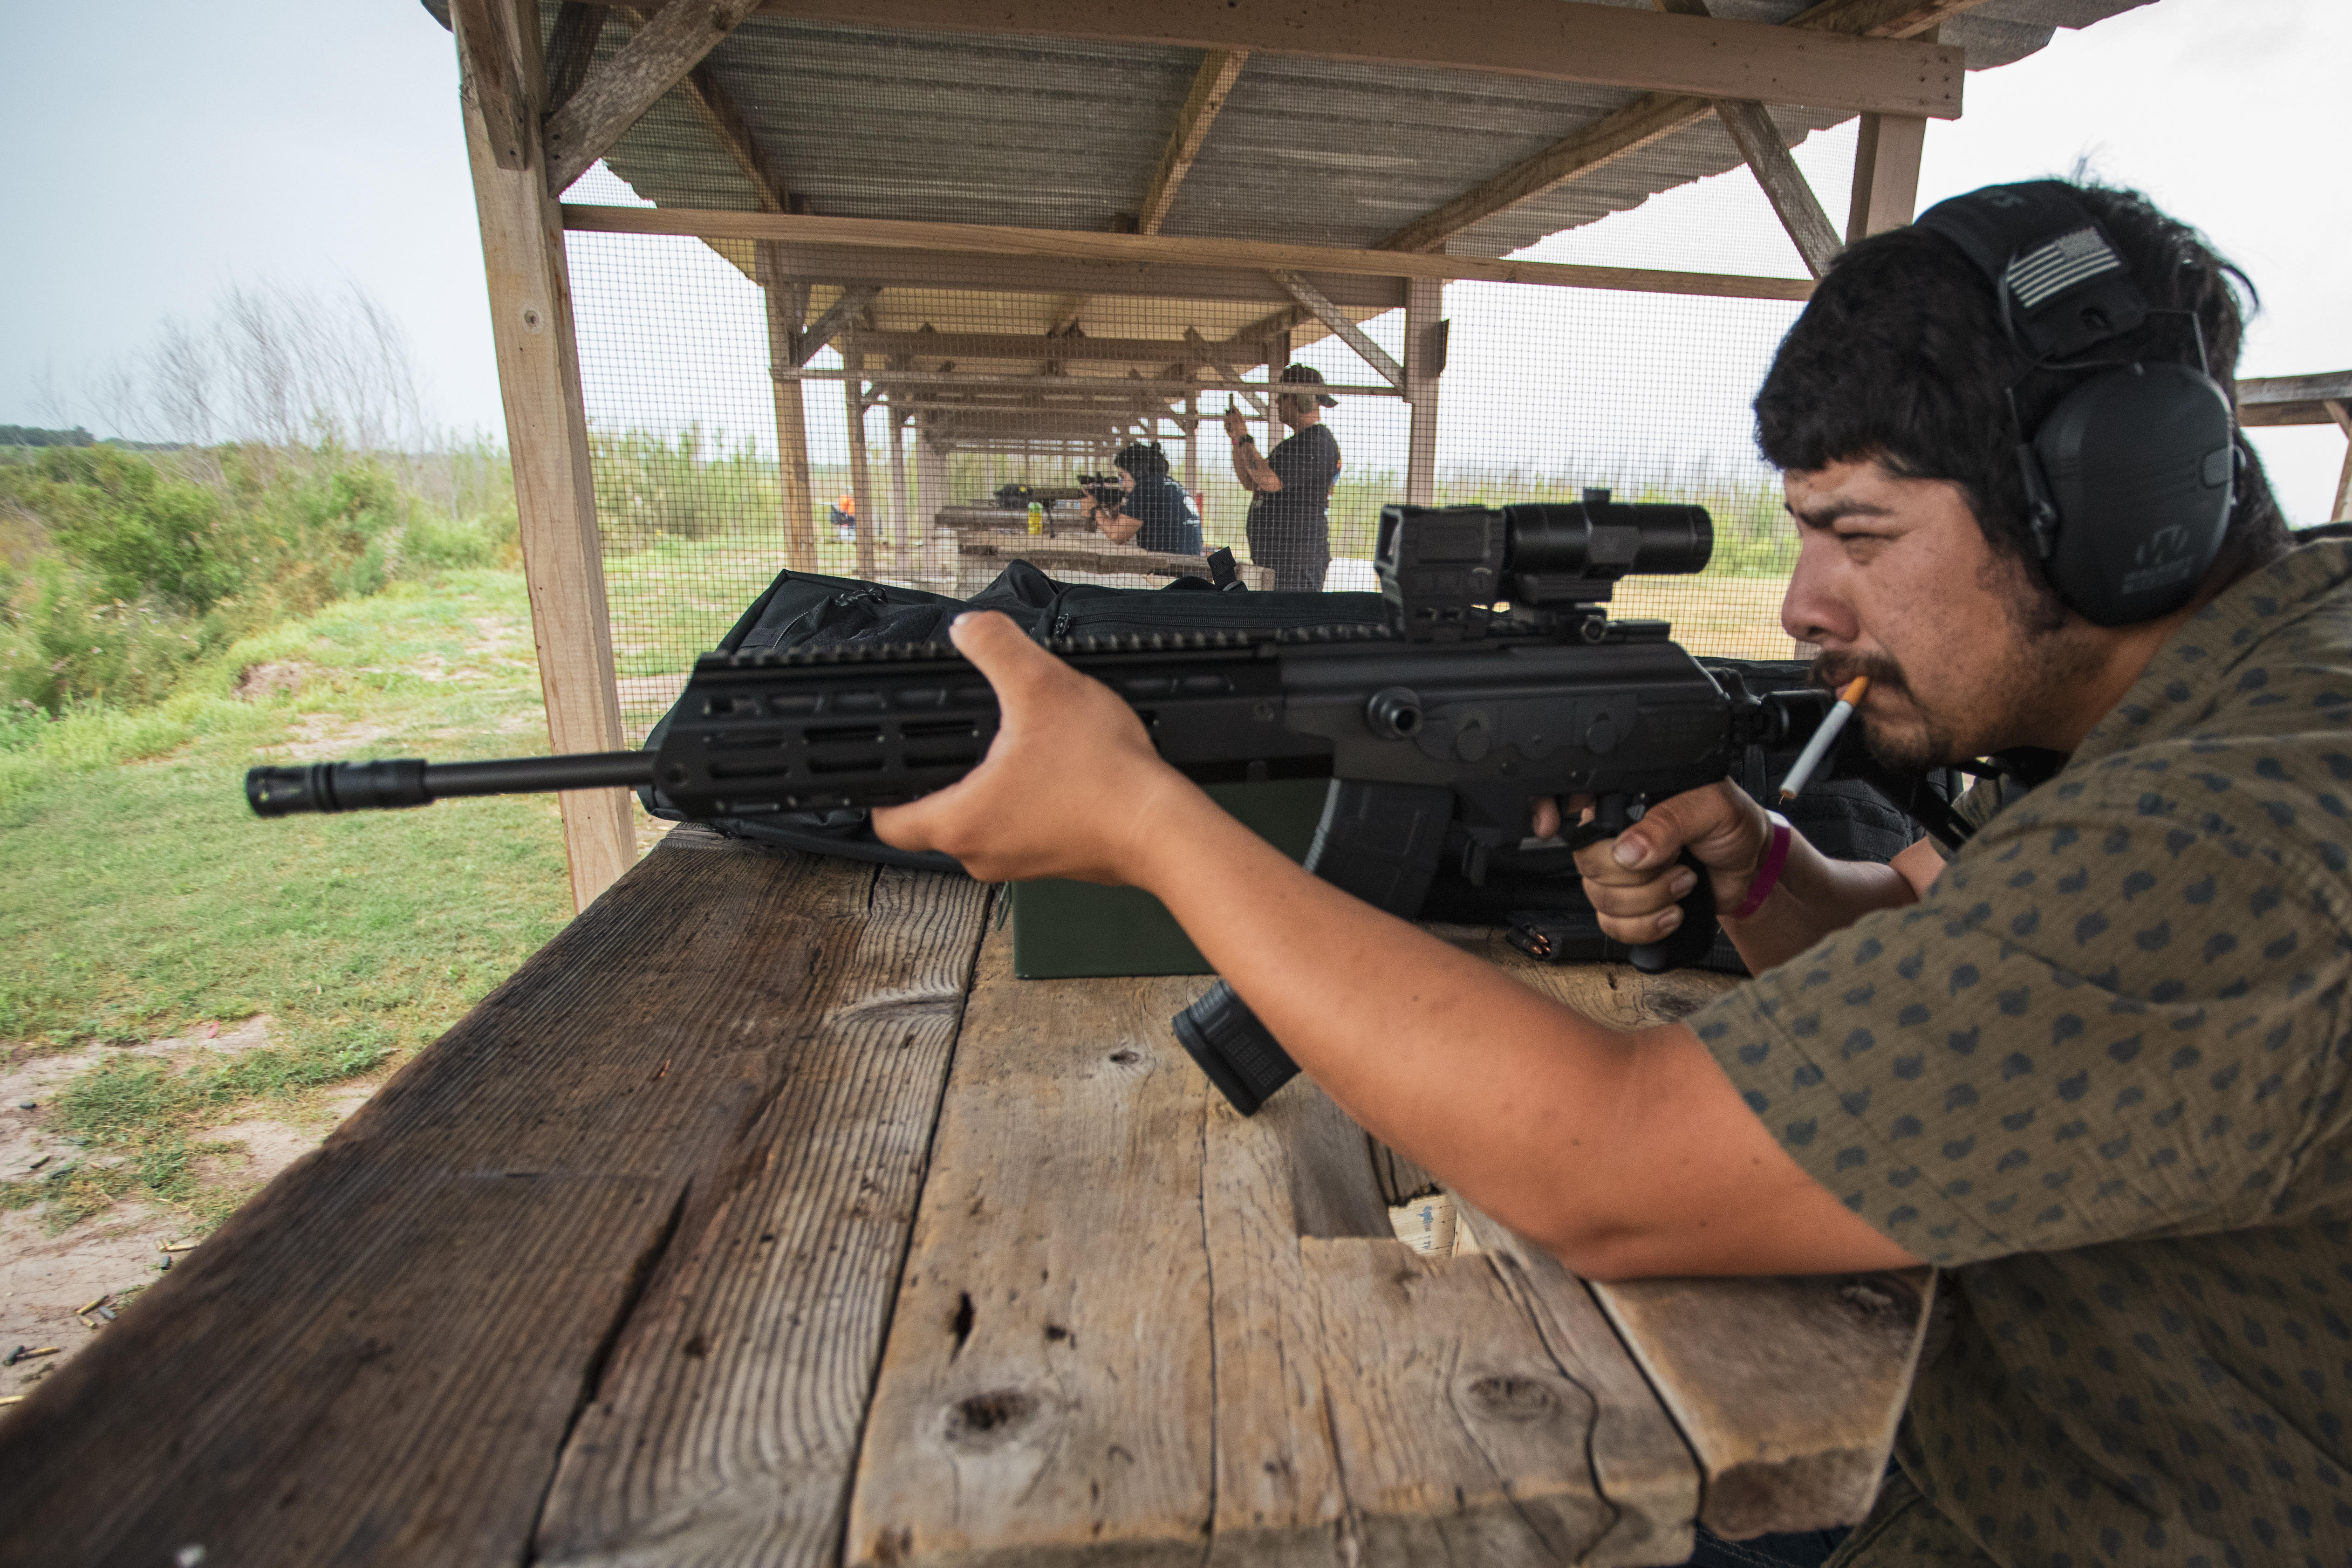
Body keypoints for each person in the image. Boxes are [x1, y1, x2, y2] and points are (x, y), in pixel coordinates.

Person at [872, 179, 2348, 1568]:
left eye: (1857, 535)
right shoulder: (2263, 688)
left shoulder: (2239, 833)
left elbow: (1607, 1165)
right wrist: (1774, 877)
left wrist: (1141, 821)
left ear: (2119, 504)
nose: (1799, 602)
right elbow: (1985, 951)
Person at [1225, 363, 1342, 591]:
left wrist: (1244, 437)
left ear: (1301, 399)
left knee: (1290, 621)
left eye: (1282, 396)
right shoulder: (1294, 444)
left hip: (1296, 562)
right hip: (1281, 560)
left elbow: (1268, 480)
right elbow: (1251, 481)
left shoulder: (1316, 442)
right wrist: (1237, 441)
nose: (1277, 402)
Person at [1081, 441, 1203, 556]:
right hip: (1189, 567)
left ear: (1137, 471)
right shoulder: (1170, 485)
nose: (1122, 484)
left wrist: (1094, 509)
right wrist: (1115, 508)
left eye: (1123, 477)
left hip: (1169, 572)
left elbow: (1117, 536)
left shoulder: (1146, 488)